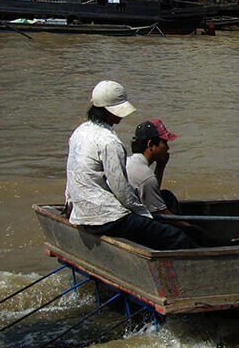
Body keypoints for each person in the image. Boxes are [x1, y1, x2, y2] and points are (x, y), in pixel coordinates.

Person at [65, 81, 198, 250]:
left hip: (81, 215)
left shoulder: (79, 132)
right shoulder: (110, 142)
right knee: (175, 236)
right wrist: (144, 215)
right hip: (106, 218)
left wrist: (69, 203)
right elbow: (122, 190)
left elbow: (72, 173)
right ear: (108, 111)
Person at [126, 119, 239, 246]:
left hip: (136, 220)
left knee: (166, 196)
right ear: (151, 145)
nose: (168, 147)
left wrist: (161, 166)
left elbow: (153, 193)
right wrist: (190, 227)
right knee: (195, 233)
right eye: (164, 142)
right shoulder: (145, 175)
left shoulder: (129, 163)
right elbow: (164, 214)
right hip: (144, 226)